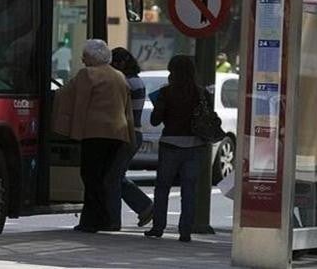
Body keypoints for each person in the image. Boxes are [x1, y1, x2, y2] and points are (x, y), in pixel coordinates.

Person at [53, 39, 136, 232]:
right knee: (104, 177)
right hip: (117, 133)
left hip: (94, 132)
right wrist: (129, 135)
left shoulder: (87, 74)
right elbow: (127, 109)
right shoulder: (119, 76)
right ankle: (105, 218)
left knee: (90, 176)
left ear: (92, 57)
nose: (82, 59)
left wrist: (73, 131)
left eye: (85, 55)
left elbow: (78, 102)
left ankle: (92, 220)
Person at [144, 55, 211, 243]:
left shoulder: (166, 93)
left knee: (163, 187)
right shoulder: (202, 93)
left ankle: (158, 227)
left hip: (170, 144)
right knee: (189, 190)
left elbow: (155, 121)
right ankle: (185, 231)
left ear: (171, 70)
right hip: (195, 145)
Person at [110, 47, 154, 227]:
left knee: (114, 177)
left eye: (114, 64)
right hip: (133, 132)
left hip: (127, 133)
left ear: (121, 64)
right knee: (115, 175)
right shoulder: (136, 81)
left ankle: (143, 206)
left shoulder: (127, 83)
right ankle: (144, 207)